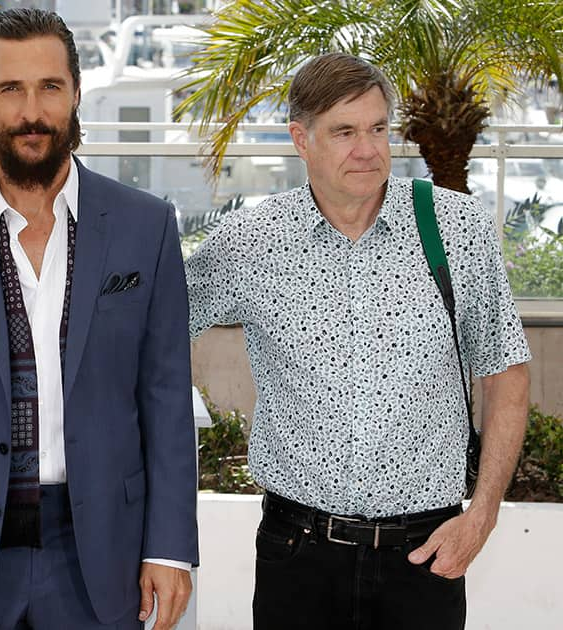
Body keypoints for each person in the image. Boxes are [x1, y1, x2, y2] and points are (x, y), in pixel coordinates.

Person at [0, 8, 198, 630]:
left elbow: (163, 395)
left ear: (76, 92)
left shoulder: (145, 226)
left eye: (50, 87)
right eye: (10, 89)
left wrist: (169, 545)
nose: (31, 111)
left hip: (104, 548)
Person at [186, 53, 531, 630]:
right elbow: (152, 335)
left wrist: (483, 515)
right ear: (301, 139)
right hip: (296, 552)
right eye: (344, 132)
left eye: (377, 129)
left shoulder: (457, 229)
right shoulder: (250, 242)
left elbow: (505, 371)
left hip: (427, 555)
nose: (368, 149)